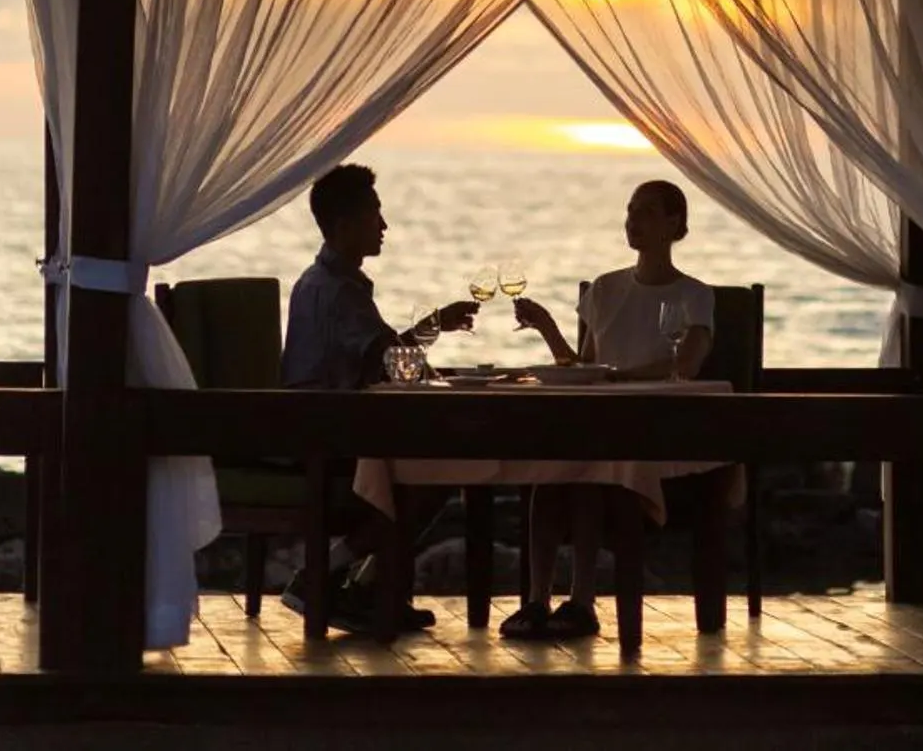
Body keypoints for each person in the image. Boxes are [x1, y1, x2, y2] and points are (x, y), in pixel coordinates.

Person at [503, 178, 714, 638]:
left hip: (652, 434)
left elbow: (688, 364)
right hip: (599, 427)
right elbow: (582, 366)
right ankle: (538, 600)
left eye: (646, 212)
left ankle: (581, 602)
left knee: (587, 476)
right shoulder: (604, 289)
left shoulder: (695, 295)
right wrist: (546, 328)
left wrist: (620, 376)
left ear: (674, 224)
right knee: (551, 476)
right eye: (630, 210)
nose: (632, 221)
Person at [280, 161, 477, 629]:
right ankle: (326, 574)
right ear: (346, 226)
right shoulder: (340, 291)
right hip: (326, 439)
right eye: (375, 217)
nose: (384, 226)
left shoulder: (318, 280)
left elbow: (383, 356)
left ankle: (368, 588)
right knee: (435, 475)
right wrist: (436, 328)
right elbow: (393, 359)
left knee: (426, 467)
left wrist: (434, 327)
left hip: (310, 428)